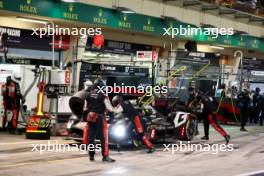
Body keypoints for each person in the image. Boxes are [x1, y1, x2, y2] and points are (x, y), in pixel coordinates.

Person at [83, 79, 115, 162]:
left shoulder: (88, 95)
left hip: (90, 118)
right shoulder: (103, 95)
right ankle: (105, 156)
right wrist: (112, 117)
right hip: (100, 118)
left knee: (91, 138)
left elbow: (85, 108)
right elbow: (109, 108)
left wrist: (85, 117)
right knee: (103, 138)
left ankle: (91, 156)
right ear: (101, 86)